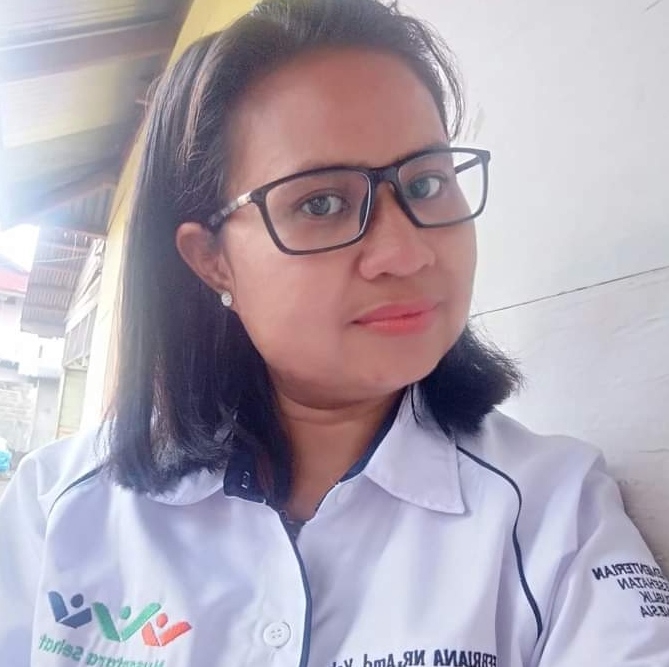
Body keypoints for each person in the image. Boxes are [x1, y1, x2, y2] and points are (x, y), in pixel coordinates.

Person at [0, 0, 667, 665]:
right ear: (211, 259)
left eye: (426, 183)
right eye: (321, 202)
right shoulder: (56, 509)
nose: (405, 253)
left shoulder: (554, 511)